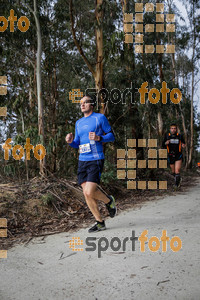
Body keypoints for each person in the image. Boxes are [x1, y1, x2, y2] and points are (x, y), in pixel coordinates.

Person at [65, 95, 116, 232]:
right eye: (80, 103)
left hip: (96, 158)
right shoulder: (78, 123)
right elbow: (77, 143)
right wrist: (70, 142)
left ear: (91, 105)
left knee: (89, 191)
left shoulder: (99, 118)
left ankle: (108, 201)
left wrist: (100, 137)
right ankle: (100, 222)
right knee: (87, 194)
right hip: (82, 160)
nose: (82, 105)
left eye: (85, 102)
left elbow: (111, 136)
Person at [162, 123, 186, 187]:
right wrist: (165, 143)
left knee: (177, 170)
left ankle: (176, 185)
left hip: (178, 155)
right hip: (170, 155)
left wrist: (183, 145)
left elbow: (184, 144)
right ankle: (178, 179)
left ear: (176, 129)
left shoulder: (180, 136)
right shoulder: (167, 136)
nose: (173, 130)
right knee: (173, 172)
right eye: (172, 128)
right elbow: (162, 145)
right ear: (170, 129)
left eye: (174, 128)